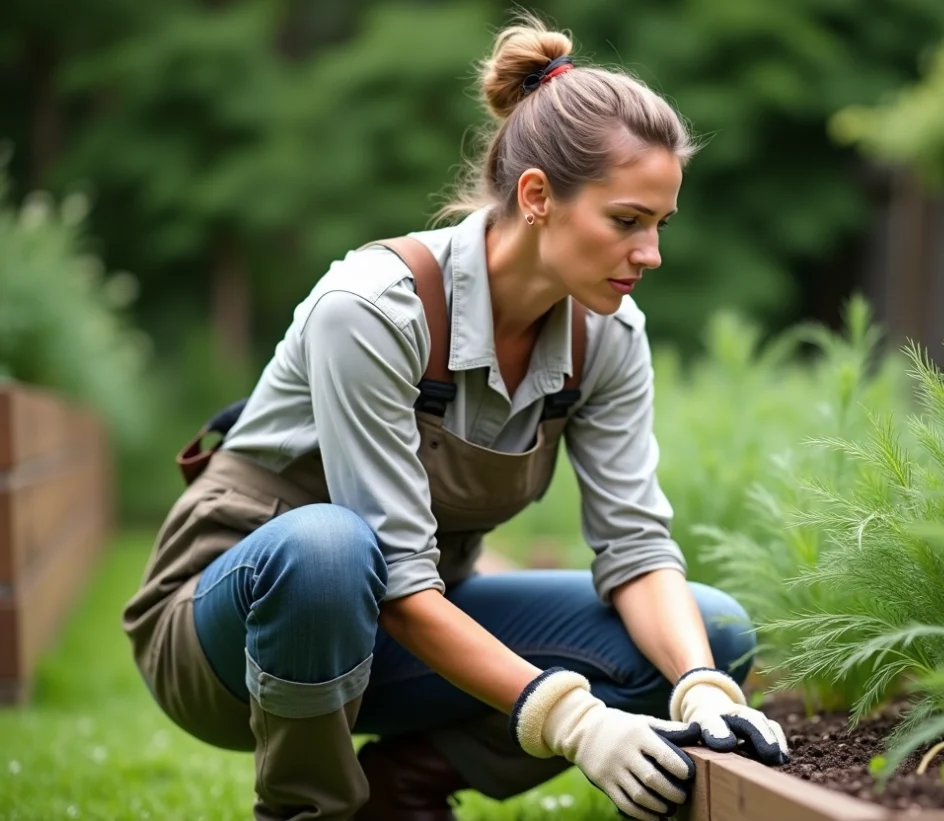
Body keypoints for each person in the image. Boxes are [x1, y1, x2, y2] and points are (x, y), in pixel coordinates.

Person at [122, 13, 789, 821]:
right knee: (332, 545)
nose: (651, 254)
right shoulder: (372, 310)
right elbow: (395, 576)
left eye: (659, 224)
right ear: (538, 196)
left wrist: (699, 686)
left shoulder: (607, 337)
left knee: (712, 630)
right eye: (627, 220)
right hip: (227, 637)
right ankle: (310, 809)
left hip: (396, 647)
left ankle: (405, 789)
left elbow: (638, 547)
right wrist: (574, 721)